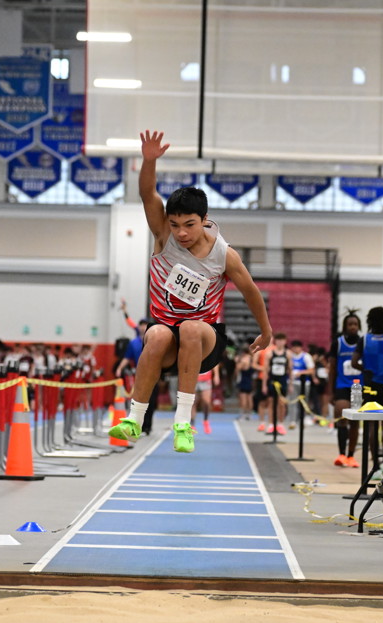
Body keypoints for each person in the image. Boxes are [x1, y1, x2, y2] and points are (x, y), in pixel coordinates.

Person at [108, 130, 273, 453]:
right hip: (168, 336)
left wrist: (266, 331)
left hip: (205, 339)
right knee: (156, 334)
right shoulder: (163, 235)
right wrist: (149, 161)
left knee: (191, 327)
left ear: (204, 220)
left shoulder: (223, 255)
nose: (181, 233)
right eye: (175, 225)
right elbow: (147, 194)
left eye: (189, 225)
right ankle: (134, 419)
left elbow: (251, 291)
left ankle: (183, 424)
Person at [361, 307, 383, 477]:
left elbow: (354, 362)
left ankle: (375, 464)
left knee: (372, 427)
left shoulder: (365, 340)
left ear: (369, 321)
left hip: (370, 387)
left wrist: (365, 369)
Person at [328, 310, 363, 468]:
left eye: (355, 324)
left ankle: (351, 456)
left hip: (359, 387)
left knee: (355, 422)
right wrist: (330, 392)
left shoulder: (363, 342)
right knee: (342, 419)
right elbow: (332, 368)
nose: (353, 327)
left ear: (359, 326)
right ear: (345, 326)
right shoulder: (338, 343)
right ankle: (341, 454)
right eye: (350, 324)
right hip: (341, 386)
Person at [115, 310, 158, 435]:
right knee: (138, 401)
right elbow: (127, 357)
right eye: (141, 325)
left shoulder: (156, 341)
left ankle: (147, 426)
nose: (143, 327)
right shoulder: (133, 343)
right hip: (139, 376)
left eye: (146, 325)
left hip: (154, 374)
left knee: (151, 401)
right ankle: (138, 426)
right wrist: (119, 368)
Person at [262, 333, 292, 436]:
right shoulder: (270, 354)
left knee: (281, 403)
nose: (280, 342)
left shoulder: (288, 354)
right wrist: (264, 385)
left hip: (282, 381)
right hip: (272, 380)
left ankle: (280, 424)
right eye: (278, 340)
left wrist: (291, 384)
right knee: (271, 403)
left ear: (285, 341)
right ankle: (271, 424)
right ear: (275, 341)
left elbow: (290, 370)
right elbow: (265, 370)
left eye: (282, 340)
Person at [288, 340, 314, 428]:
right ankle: (292, 421)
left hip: (304, 383)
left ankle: (302, 419)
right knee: (292, 402)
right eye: (294, 347)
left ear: (301, 347)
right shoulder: (290, 356)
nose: (295, 349)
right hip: (293, 382)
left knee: (304, 402)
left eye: (297, 347)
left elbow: (311, 370)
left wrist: (301, 373)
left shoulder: (306, 356)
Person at [234, 351, 255, 419]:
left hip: (244, 382)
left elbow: (236, 371)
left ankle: (244, 414)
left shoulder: (243, 361)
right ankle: (249, 414)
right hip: (249, 381)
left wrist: (237, 362)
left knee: (244, 399)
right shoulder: (251, 360)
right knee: (249, 399)